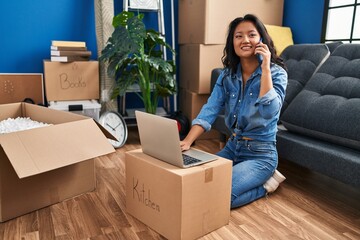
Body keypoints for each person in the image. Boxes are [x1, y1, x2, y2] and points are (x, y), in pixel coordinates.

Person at [180, 14, 288, 209]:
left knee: (220, 197)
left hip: (261, 155)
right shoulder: (227, 76)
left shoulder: (277, 73)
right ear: (232, 42)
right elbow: (210, 110)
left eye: (251, 35)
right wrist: (188, 141)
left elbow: (270, 112)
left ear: (261, 40)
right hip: (233, 147)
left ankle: (266, 185)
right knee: (195, 185)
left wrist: (265, 68)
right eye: (238, 36)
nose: (245, 40)